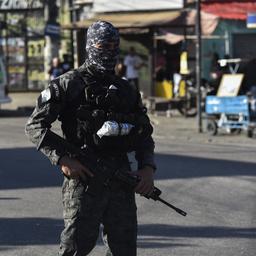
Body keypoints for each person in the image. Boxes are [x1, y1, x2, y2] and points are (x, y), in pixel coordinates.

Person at [25, 20, 156, 256]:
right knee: (75, 249)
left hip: (121, 181)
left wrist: (147, 169)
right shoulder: (68, 84)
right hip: (84, 180)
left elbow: (144, 134)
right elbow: (35, 125)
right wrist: (62, 158)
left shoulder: (126, 90)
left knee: (124, 251)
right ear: (91, 46)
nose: (110, 52)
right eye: (103, 45)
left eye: (115, 46)